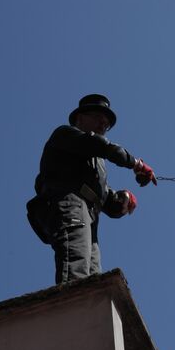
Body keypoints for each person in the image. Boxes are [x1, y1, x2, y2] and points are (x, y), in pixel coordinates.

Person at [29, 94, 157, 284]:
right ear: (80, 117)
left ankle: (88, 310)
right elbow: (101, 146)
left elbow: (103, 197)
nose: (103, 124)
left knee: (94, 275)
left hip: (89, 214)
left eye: (106, 123)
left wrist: (122, 199)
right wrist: (136, 164)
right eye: (98, 117)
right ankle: (73, 309)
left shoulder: (98, 162)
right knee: (76, 265)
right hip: (69, 203)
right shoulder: (65, 135)